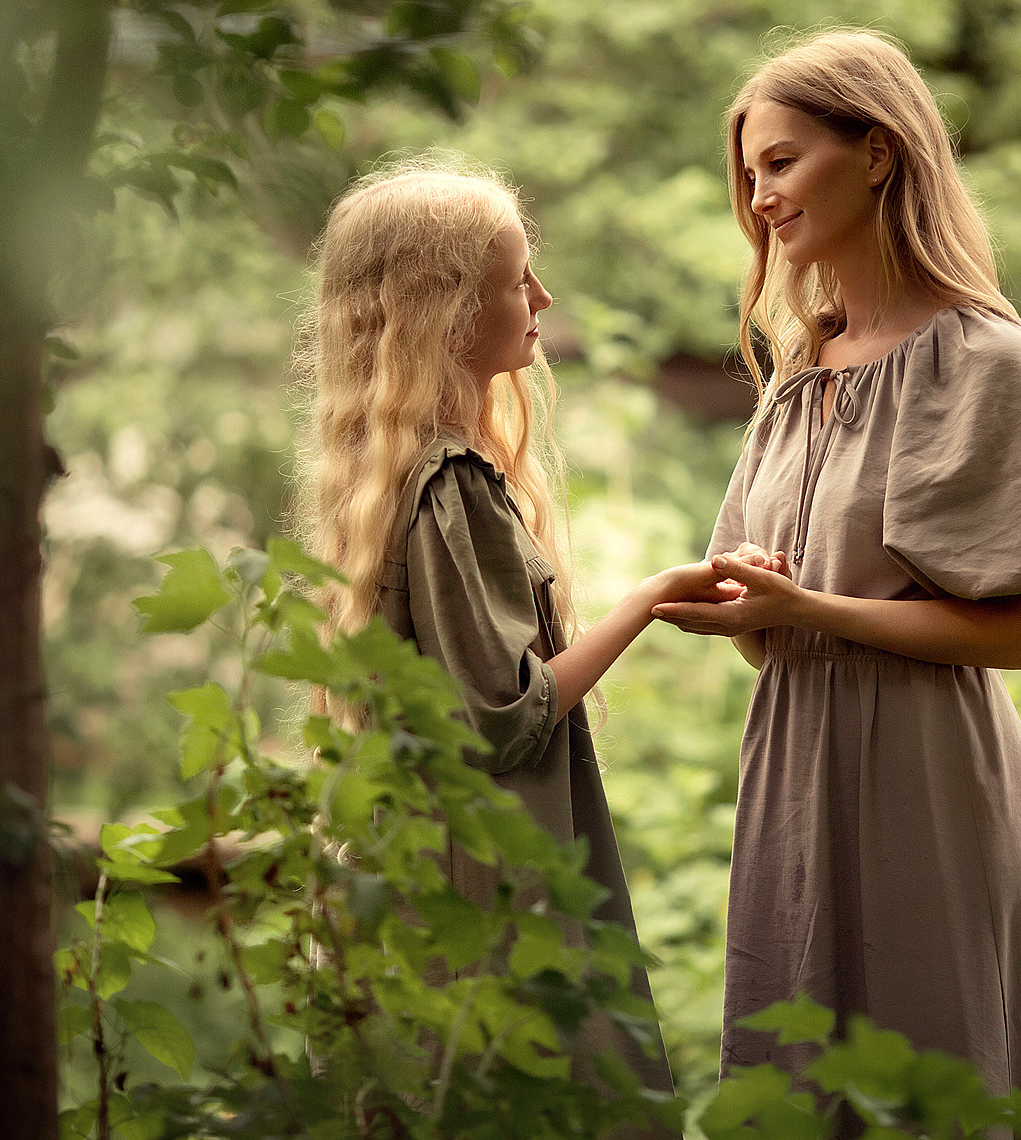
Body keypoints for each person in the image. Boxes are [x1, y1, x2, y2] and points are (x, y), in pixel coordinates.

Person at [652, 31, 1021, 1140]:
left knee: (933, 1082)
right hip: (793, 784)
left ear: (875, 153)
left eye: (780, 162)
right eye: (748, 175)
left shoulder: (983, 362)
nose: (760, 198)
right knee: (799, 1084)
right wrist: (737, 603)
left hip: (928, 794)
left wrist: (805, 607)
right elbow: (765, 631)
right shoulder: (796, 375)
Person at [298, 157, 731, 1114]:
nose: (543, 295)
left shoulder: (391, 480)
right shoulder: (450, 483)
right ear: (447, 305)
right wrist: (650, 598)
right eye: (516, 277)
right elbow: (504, 719)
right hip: (490, 889)